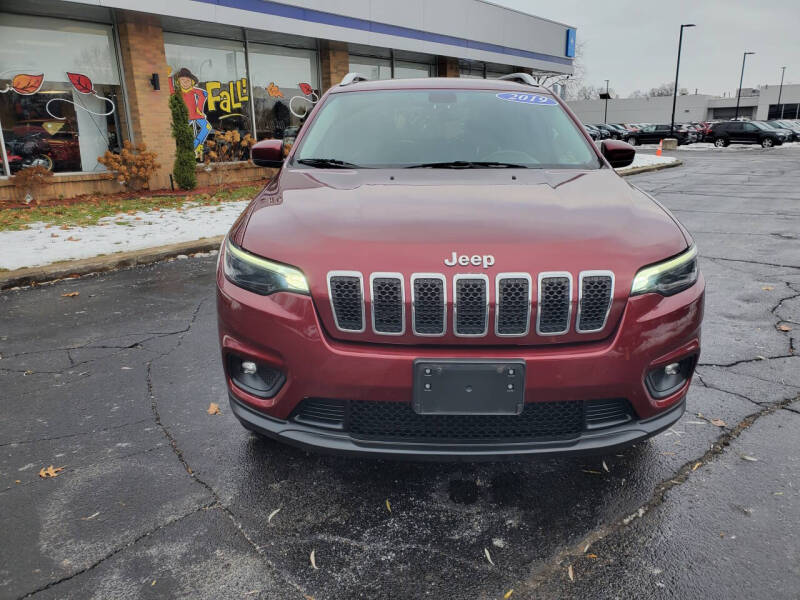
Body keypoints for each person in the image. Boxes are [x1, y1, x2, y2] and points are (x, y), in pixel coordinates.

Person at [169, 67, 212, 159]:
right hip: (185, 117)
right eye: (182, 80)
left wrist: (199, 109)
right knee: (183, 132)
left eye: (188, 80)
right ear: (178, 82)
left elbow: (204, 94)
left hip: (196, 115)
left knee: (207, 127)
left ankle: (195, 144)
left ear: (192, 82)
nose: (185, 82)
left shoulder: (193, 90)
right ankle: (187, 149)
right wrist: (169, 77)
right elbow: (171, 90)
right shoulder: (178, 92)